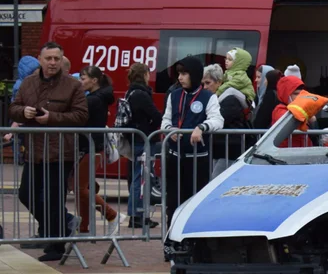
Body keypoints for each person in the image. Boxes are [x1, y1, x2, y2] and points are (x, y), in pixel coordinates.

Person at [10, 42, 88, 261]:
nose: (52, 62)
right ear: (40, 59)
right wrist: (22, 112)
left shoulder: (73, 85)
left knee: (54, 198)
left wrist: (51, 118)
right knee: (26, 194)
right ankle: (61, 227)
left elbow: (82, 116)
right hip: (34, 151)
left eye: (56, 58)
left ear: (61, 60)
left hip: (60, 152)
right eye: (48, 58)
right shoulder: (27, 83)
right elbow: (13, 108)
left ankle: (55, 245)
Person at [161, 56, 223, 227]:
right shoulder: (173, 95)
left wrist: (202, 127)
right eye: (179, 73)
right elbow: (165, 120)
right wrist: (170, 129)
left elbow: (217, 120)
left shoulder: (208, 97)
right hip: (174, 158)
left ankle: (194, 243)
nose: (180, 77)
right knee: (173, 202)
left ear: (195, 75)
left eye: (184, 73)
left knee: (195, 203)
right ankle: (171, 242)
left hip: (198, 160)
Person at [74, 65, 122, 234]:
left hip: (91, 147)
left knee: (79, 187)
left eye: (83, 78)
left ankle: (112, 215)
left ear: (94, 80)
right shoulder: (98, 97)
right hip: (92, 147)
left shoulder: (93, 100)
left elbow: (77, 118)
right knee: (83, 186)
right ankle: (83, 225)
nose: (80, 82)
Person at [121, 62, 162, 229]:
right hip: (143, 140)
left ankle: (137, 214)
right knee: (141, 178)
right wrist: (153, 127)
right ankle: (137, 215)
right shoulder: (141, 94)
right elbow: (155, 115)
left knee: (139, 177)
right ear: (144, 74)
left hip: (137, 139)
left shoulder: (131, 92)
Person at [201, 63, 252, 177]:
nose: (205, 87)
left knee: (215, 182)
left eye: (208, 83)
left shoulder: (230, 99)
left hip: (231, 150)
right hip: (220, 149)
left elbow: (219, 120)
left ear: (219, 82)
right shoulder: (217, 98)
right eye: (203, 83)